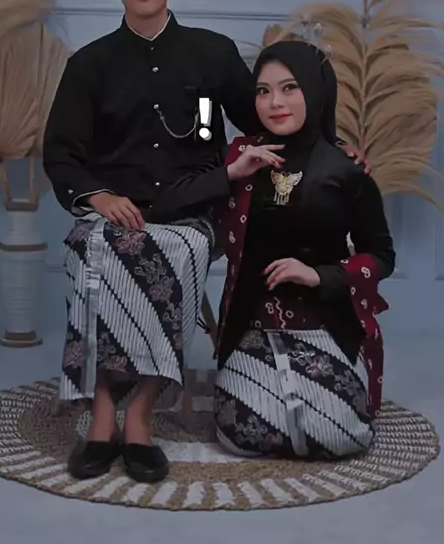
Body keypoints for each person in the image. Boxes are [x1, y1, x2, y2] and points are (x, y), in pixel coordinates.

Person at [43, 0, 368, 483]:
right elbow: (61, 153)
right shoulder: (89, 65)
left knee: (178, 251)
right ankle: (102, 416)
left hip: (194, 207)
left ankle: (140, 415)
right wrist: (99, 196)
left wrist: (331, 149)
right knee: (92, 250)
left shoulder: (211, 54)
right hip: (115, 209)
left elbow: (264, 119)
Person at [149, 39, 395, 459]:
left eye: (289, 88)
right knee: (243, 433)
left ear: (316, 91)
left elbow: (382, 256)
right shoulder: (241, 155)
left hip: (325, 324)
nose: (274, 102)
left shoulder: (345, 169)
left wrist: (320, 275)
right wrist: (231, 173)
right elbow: (164, 203)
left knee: (339, 436)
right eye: (263, 91)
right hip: (252, 328)